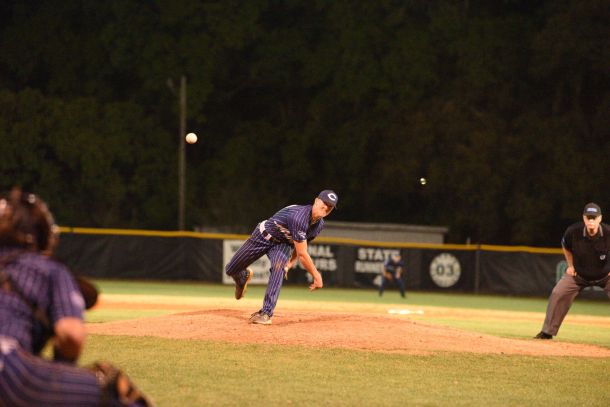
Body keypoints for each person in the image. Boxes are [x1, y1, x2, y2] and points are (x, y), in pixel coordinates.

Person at [0, 188, 153, 406]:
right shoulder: (48, 270)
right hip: (8, 369)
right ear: (39, 234)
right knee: (112, 386)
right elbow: (71, 335)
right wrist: (62, 366)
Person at [225, 190, 338, 324]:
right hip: (262, 236)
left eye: (330, 206)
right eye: (324, 203)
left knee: (279, 268)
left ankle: (266, 313)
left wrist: (289, 264)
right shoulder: (299, 216)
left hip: (282, 245)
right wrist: (316, 275)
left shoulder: (319, 225)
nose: (326, 207)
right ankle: (242, 278)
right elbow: (303, 254)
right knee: (230, 269)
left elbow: (301, 246)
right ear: (316, 201)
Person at [534, 203, 610, 340]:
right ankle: (547, 332)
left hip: (605, 276)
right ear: (584, 218)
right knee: (558, 293)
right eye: (588, 217)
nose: (591, 220)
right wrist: (570, 265)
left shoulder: (608, 232)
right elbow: (565, 245)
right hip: (578, 276)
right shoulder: (573, 231)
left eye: (594, 217)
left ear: (600, 218)